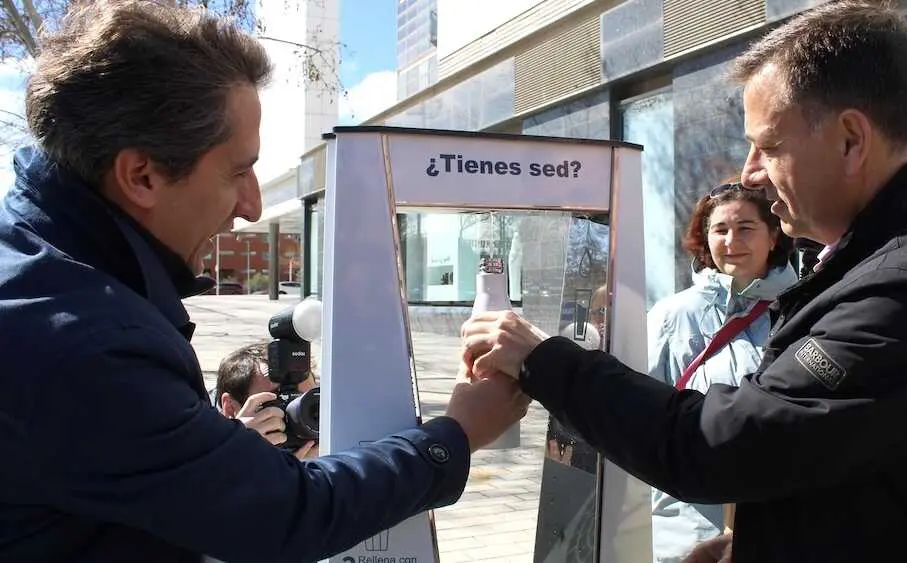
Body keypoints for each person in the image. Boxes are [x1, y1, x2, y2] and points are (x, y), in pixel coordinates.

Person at [460, 1, 907, 561]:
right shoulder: (897, 255)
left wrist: (544, 359)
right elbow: (851, 461)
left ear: (850, 140)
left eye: (768, 146)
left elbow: (719, 445)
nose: (749, 173)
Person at [0, 2, 528, 562]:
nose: (251, 205)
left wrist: (213, 454)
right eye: (237, 172)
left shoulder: (47, 271)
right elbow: (288, 514)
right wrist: (459, 433)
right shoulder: (83, 341)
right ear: (142, 175)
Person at [646, 182, 795, 562]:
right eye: (720, 230)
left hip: (778, 520)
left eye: (746, 227)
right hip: (684, 524)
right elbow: (644, 412)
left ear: (774, 235)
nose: (732, 241)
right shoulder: (671, 316)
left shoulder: (804, 309)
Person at [213, 341, 319, 457]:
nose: (301, 418)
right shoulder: (200, 456)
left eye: (309, 403)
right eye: (284, 401)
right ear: (230, 409)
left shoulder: (332, 447)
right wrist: (238, 452)